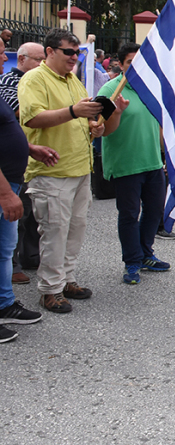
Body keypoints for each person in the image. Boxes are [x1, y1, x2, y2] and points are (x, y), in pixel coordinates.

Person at [18, 28, 106, 313]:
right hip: (52, 171)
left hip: (79, 168)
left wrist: (95, 125)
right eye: (68, 52)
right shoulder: (35, 79)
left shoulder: (74, 81)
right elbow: (32, 118)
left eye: (77, 52)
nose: (74, 58)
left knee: (75, 229)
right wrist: (73, 112)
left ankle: (67, 279)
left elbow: (82, 116)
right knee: (54, 232)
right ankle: (49, 289)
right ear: (50, 52)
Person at [98, 43, 170, 285]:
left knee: (154, 211)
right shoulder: (110, 89)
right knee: (129, 214)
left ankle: (145, 253)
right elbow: (103, 132)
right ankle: (132, 261)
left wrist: (165, 156)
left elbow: (159, 124)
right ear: (120, 63)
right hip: (126, 164)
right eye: (131, 62)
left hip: (152, 163)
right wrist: (116, 112)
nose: (137, 66)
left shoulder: (152, 87)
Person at [0, 96, 51, 342]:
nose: (3, 59)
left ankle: (4, 305)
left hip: (9, 181)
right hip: (3, 187)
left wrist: (28, 148)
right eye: (0, 55)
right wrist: (5, 193)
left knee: (5, 249)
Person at [0, 42, 45, 284]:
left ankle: (30, 256)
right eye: (37, 60)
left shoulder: (41, 81)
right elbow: (21, 111)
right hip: (9, 170)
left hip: (25, 159)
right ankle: (14, 264)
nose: (41, 64)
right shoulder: (9, 82)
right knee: (17, 214)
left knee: (31, 213)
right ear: (21, 60)